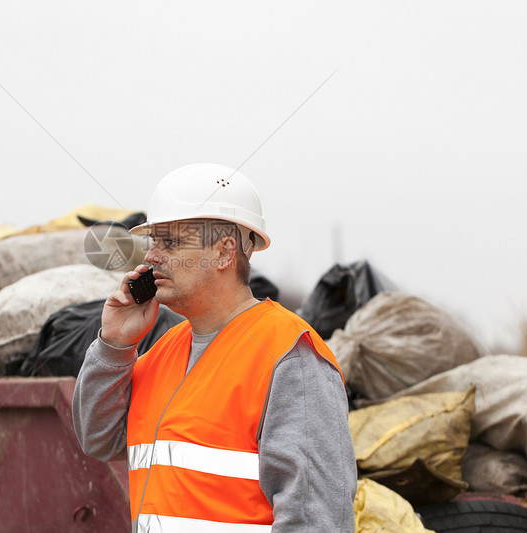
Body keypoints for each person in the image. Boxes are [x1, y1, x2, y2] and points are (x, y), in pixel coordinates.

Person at [73, 163, 357, 532]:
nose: (151, 257)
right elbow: (98, 439)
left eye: (170, 243)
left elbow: (317, 520)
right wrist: (114, 346)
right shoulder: (164, 350)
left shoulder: (289, 354)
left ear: (225, 253)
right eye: (153, 242)